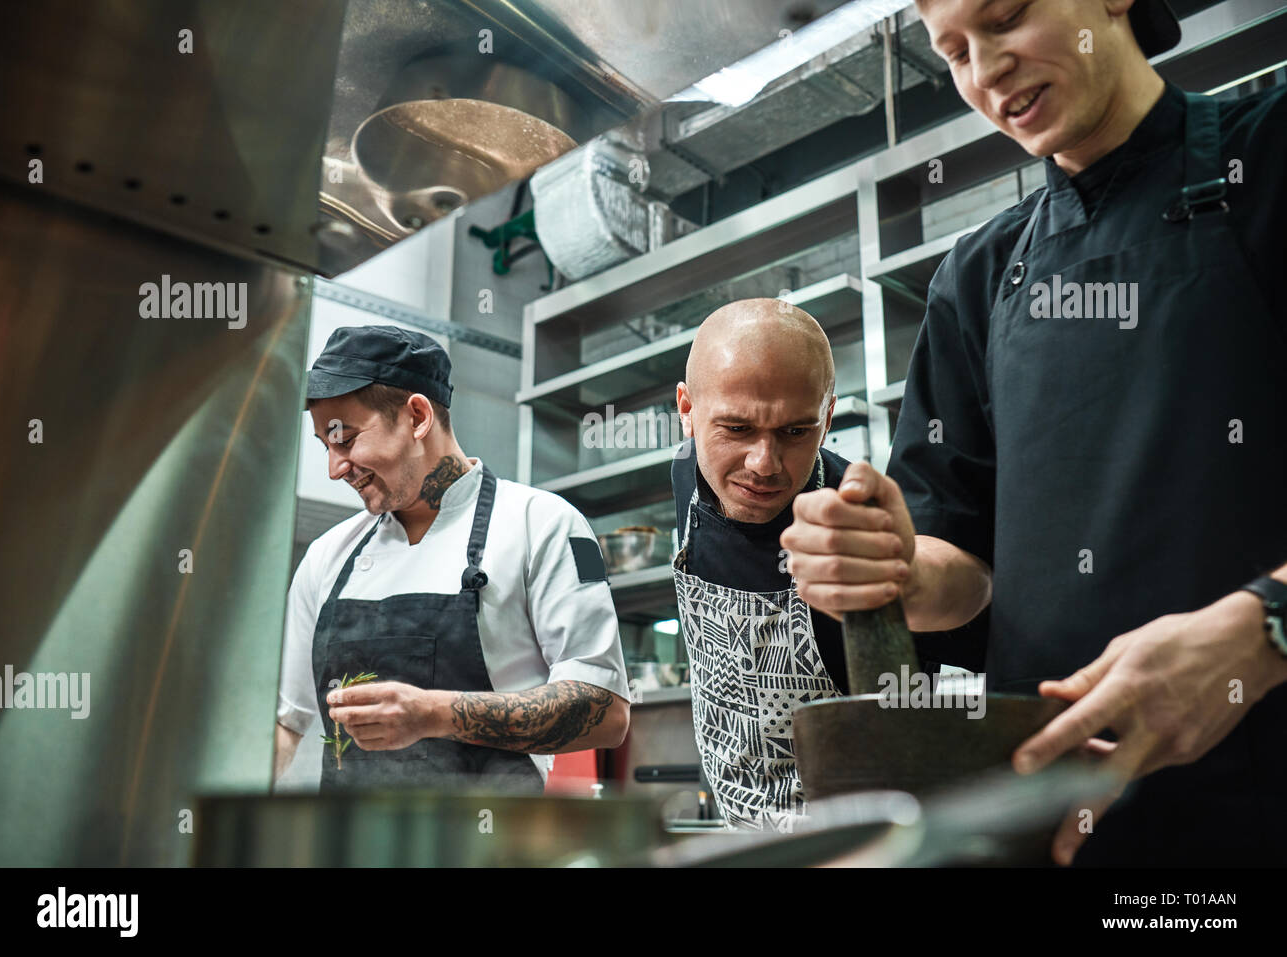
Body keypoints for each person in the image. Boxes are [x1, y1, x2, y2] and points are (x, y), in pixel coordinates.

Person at [781, 0, 1287, 865]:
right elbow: (963, 567)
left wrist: (1264, 630)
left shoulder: (1270, 156)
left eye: (1006, 16)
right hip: (1057, 828)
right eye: (955, 53)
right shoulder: (976, 278)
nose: (985, 70)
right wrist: (894, 564)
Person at [275, 325, 630, 792]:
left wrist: (432, 715)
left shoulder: (540, 523)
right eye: (326, 445)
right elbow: (287, 726)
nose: (334, 467)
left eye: (346, 439)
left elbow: (604, 710)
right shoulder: (327, 557)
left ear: (418, 416)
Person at [669, 298, 874, 828]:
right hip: (739, 836)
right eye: (736, 429)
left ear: (827, 418)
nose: (763, 465)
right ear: (687, 411)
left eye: (795, 432)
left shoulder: (862, 524)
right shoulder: (685, 482)